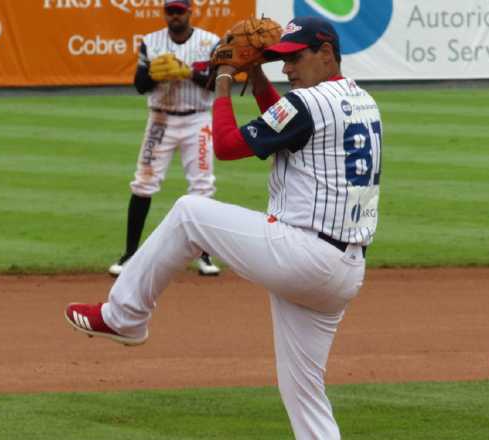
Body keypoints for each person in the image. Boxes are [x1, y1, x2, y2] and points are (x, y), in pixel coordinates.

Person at [67, 16, 383, 440]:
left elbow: (229, 145)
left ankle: (125, 316)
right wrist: (255, 78)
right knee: (304, 395)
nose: (286, 70)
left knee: (189, 212)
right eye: (281, 61)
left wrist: (222, 83)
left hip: (304, 255)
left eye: (294, 59)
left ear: (326, 53)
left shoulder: (307, 104)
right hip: (343, 271)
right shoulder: (362, 100)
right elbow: (284, 122)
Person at [109, 0, 221, 277]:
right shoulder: (151, 42)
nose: (174, 16)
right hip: (161, 119)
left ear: (189, 12)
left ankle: (204, 256)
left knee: (202, 187)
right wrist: (154, 75)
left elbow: (215, 82)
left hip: (198, 119)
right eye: (169, 11)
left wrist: (188, 72)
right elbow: (139, 86)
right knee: (144, 182)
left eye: (179, 11)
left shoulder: (210, 42)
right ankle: (129, 255)